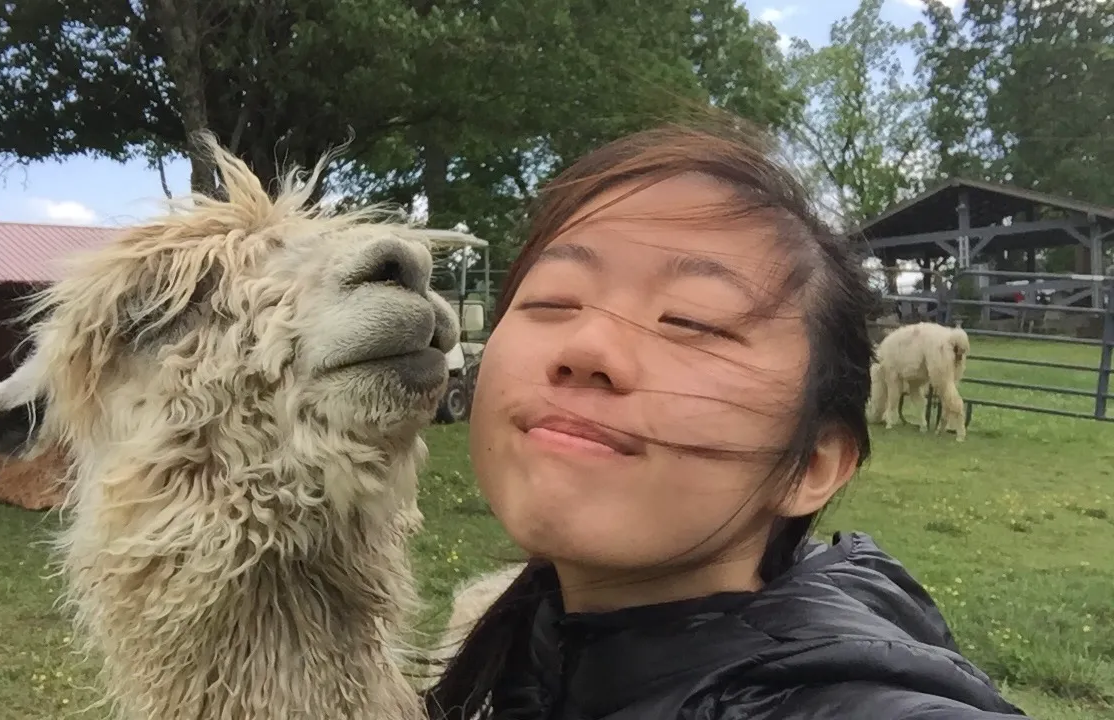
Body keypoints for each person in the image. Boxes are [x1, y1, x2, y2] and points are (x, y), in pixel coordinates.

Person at [423, 117, 1027, 720]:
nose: (586, 349)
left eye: (691, 321)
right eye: (551, 300)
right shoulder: (515, 648)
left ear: (809, 466)